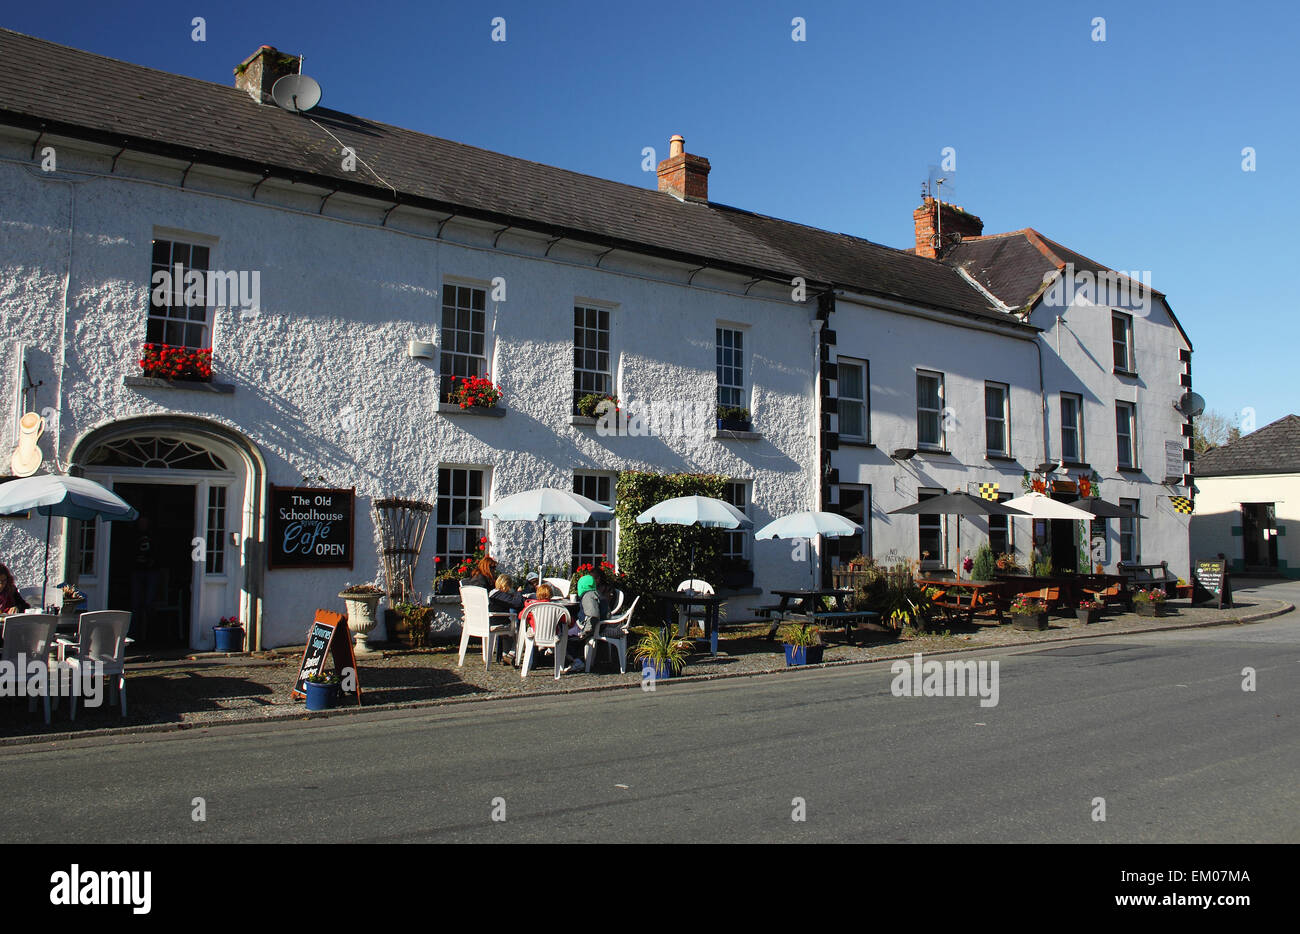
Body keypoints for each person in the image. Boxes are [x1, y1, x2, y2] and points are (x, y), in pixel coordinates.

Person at [564, 573, 609, 674]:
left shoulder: (588, 596)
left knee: (563, 638)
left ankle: (576, 661)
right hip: (598, 626)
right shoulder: (597, 594)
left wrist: (585, 631)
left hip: (588, 628)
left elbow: (592, 614)